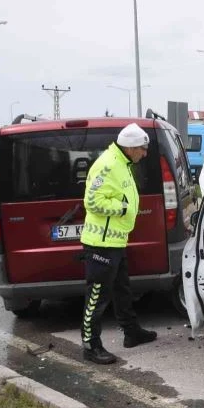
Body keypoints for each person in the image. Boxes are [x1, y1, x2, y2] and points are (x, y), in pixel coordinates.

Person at [79, 123, 157, 364]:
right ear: (131, 147)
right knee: (97, 296)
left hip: (115, 240)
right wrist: (122, 208)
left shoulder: (122, 162)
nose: (144, 154)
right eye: (143, 149)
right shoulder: (108, 164)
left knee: (122, 289)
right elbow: (92, 201)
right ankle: (91, 346)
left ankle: (131, 332)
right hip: (101, 243)